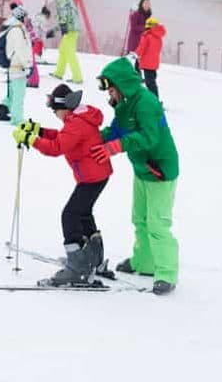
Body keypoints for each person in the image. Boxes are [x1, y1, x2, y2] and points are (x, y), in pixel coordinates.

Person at [93, 57, 180, 296]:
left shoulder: (146, 103)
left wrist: (117, 146)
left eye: (111, 88)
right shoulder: (125, 104)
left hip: (160, 171)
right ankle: (144, 262)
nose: (109, 93)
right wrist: (93, 139)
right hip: (142, 169)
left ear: (122, 84)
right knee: (140, 218)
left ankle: (167, 274)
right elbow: (116, 130)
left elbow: (149, 137)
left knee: (157, 223)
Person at [12, 84, 112, 286]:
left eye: (55, 110)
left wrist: (30, 139)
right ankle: (94, 260)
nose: (55, 114)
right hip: (96, 175)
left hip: (92, 177)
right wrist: (38, 130)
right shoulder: (78, 117)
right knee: (83, 213)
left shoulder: (76, 123)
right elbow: (62, 137)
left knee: (70, 215)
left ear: (64, 108)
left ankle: (78, 269)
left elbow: (56, 147)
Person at [0, 6, 32, 124]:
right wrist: (27, 65)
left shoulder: (12, 27)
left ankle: (6, 109)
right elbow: (20, 49)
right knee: (19, 95)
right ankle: (17, 119)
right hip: (18, 66)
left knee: (13, 93)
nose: (27, 19)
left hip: (14, 65)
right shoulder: (17, 30)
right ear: (20, 16)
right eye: (25, 16)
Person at [48, 0, 82, 84]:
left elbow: (63, 11)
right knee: (63, 50)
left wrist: (63, 24)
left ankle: (77, 78)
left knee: (70, 52)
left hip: (71, 29)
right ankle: (59, 73)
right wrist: (54, 30)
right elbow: (65, 15)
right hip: (71, 27)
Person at [135, 17, 166, 98]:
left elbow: (141, 48)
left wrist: (135, 54)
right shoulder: (158, 37)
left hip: (147, 63)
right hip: (154, 63)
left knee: (150, 83)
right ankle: (154, 98)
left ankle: (154, 99)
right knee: (152, 82)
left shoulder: (147, 36)